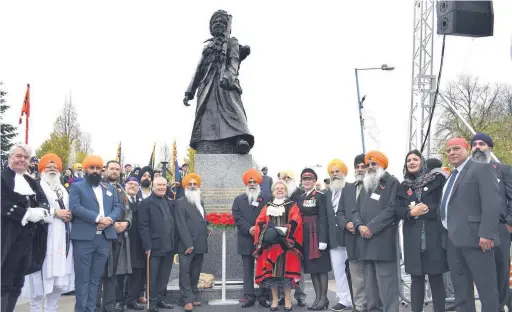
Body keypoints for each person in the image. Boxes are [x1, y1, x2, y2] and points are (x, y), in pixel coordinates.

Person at [440, 137, 501, 311]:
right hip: (454, 241)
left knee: (486, 290)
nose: (452, 153)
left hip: (477, 240)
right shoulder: (453, 174)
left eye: (457, 149)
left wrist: (487, 233)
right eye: (449, 150)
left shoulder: (480, 168)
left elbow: (491, 202)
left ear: (467, 150)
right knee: (461, 291)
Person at [183, 10, 254, 154]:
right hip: (206, 84)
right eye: (215, 22)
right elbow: (198, 70)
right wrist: (189, 92)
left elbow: (234, 61)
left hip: (225, 82)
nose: (218, 24)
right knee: (207, 116)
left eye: (222, 22)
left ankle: (240, 138)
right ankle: (206, 141)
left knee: (231, 109)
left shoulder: (231, 42)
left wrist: (229, 76)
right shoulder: (207, 47)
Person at [1, 144, 52, 312]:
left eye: (25, 157)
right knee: (4, 282)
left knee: (18, 281)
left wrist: (41, 210)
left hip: (28, 240)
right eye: (18, 156)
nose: (22, 160)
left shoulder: (31, 181)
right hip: (7, 238)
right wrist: (26, 213)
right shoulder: (2, 177)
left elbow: (44, 200)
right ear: (10, 158)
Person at [396, 150, 448, 312]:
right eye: (408, 160)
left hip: (434, 235)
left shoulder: (437, 179)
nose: (411, 162)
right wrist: (410, 213)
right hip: (413, 237)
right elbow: (397, 209)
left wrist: (426, 209)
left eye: (415, 159)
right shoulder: (403, 186)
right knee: (416, 278)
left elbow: (444, 203)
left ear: (422, 162)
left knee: (436, 277)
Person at [22, 154, 75, 312]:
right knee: (38, 285)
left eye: (55, 167)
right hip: (42, 240)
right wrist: (54, 213)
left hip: (62, 241)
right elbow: (28, 210)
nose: (52, 169)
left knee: (57, 286)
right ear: (42, 169)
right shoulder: (33, 187)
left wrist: (70, 214)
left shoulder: (63, 189)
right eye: (48, 167)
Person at [69, 155, 122, 312]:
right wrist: (97, 218)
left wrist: (110, 220)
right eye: (91, 168)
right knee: (83, 280)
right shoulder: (77, 187)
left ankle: (91, 309)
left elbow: (117, 206)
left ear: (102, 170)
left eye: (98, 168)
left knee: (95, 280)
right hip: (84, 239)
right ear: (86, 170)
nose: (95, 171)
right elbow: (75, 207)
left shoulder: (109, 188)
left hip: (104, 239)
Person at [353, 151, 400, 312]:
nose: (371, 167)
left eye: (374, 163)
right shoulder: (367, 184)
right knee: (370, 285)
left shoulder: (392, 182)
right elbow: (355, 210)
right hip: (365, 241)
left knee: (386, 284)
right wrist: (359, 226)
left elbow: (392, 209)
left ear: (382, 164)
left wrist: (371, 227)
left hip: (382, 240)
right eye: (369, 164)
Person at [470, 132, 512, 311]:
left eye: (482, 144)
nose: (477, 147)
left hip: (499, 229)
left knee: (501, 273)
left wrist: (508, 224)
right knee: (483, 276)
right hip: (474, 231)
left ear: (490, 147)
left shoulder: (503, 169)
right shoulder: (466, 173)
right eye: (474, 144)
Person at [253, 180, 303, 312]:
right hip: (270, 245)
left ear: (285, 191)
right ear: (273, 191)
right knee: (272, 275)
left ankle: (287, 299)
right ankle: (275, 299)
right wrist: (268, 232)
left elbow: (296, 221)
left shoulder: (292, 205)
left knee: (286, 275)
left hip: (286, 245)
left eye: (282, 188)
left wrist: (284, 232)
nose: (279, 190)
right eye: (277, 188)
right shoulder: (267, 206)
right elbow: (259, 221)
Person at [231, 169, 271, 308]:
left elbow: (270, 215)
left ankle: (263, 296)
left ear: (259, 183)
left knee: (264, 268)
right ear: (246, 184)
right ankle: (248, 296)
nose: (252, 184)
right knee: (247, 270)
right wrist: (249, 229)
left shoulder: (267, 198)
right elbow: (237, 217)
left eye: (255, 182)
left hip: (263, 239)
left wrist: (259, 229)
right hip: (246, 239)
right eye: (250, 182)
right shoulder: (238, 200)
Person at [98, 160, 133, 312]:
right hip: (103, 236)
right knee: (99, 274)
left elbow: (129, 210)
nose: (115, 172)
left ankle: (110, 306)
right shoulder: (98, 187)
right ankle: (96, 307)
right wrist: (112, 224)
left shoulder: (120, 188)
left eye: (117, 169)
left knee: (113, 274)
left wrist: (126, 223)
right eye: (112, 169)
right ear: (105, 170)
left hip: (119, 238)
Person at [138, 177, 176, 312]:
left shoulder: (169, 201)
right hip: (154, 246)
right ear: (153, 186)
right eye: (159, 185)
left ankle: (160, 300)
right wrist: (147, 245)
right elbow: (143, 226)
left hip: (169, 246)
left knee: (164, 276)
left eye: (164, 185)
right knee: (152, 277)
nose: (162, 187)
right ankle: (152, 303)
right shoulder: (146, 203)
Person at [297, 168, 331, 311]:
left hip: (317, 234)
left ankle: (324, 298)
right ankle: (318, 297)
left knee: (321, 268)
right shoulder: (300, 197)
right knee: (312, 268)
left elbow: (323, 217)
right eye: (304, 179)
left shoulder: (320, 196)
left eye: (310, 179)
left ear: (314, 181)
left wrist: (323, 239)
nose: (307, 182)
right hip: (306, 236)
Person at [174, 173, 209, 312]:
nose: (193, 186)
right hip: (187, 245)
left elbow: (199, 220)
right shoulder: (180, 202)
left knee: (195, 271)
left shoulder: (200, 202)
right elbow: (181, 224)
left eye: (195, 184)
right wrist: (188, 244)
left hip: (200, 243)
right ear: (185, 186)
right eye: (190, 184)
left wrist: (206, 228)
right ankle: (186, 300)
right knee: (185, 273)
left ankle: (191, 296)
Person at [338, 155, 367, 312]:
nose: (360, 169)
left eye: (363, 166)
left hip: (368, 236)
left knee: (369, 274)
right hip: (352, 237)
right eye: (357, 167)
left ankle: (373, 304)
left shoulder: (374, 186)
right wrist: (345, 223)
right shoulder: (347, 189)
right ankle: (359, 306)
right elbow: (340, 212)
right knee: (356, 275)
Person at [324, 159, 353, 311]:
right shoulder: (327, 193)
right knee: (338, 270)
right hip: (333, 237)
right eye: (332, 172)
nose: (335, 174)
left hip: (350, 235)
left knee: (355, 270)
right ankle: (344, 299)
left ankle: (357, 299)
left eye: (337, 171)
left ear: (344, 172)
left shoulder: (352, 188)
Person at [277, 170, 306, 306]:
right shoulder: (277, 196)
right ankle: (283, 295)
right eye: (284, 178)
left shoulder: (300, 194)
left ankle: (300, 296)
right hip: (279, 238)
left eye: (289, 177)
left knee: (297, 268)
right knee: (282, 267)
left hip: (296, 236)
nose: (286, 179)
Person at [123, 177, 145, 310]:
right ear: (125, 185)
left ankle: (132, 298)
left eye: (136, 185)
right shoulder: (120, 199)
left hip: (137, 242)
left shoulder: (141, 202)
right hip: (122, 239)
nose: (133, 186)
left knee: (137, 271)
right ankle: (120, 299)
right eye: (130, 184)